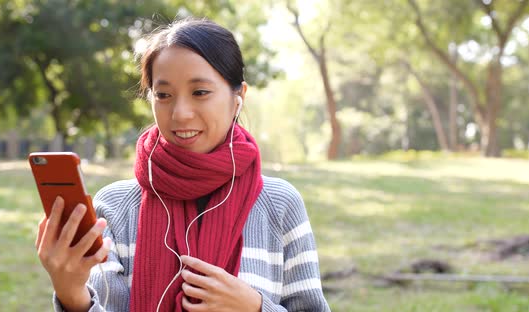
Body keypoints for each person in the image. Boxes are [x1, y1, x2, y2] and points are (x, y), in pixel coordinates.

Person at [35, 17, 330, 312]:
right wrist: (72, 294)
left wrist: (254, 306)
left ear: (238, 96)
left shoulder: (279, 204)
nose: (180, 114)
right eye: (163, 95)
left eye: (200, 92)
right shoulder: (114, 208)